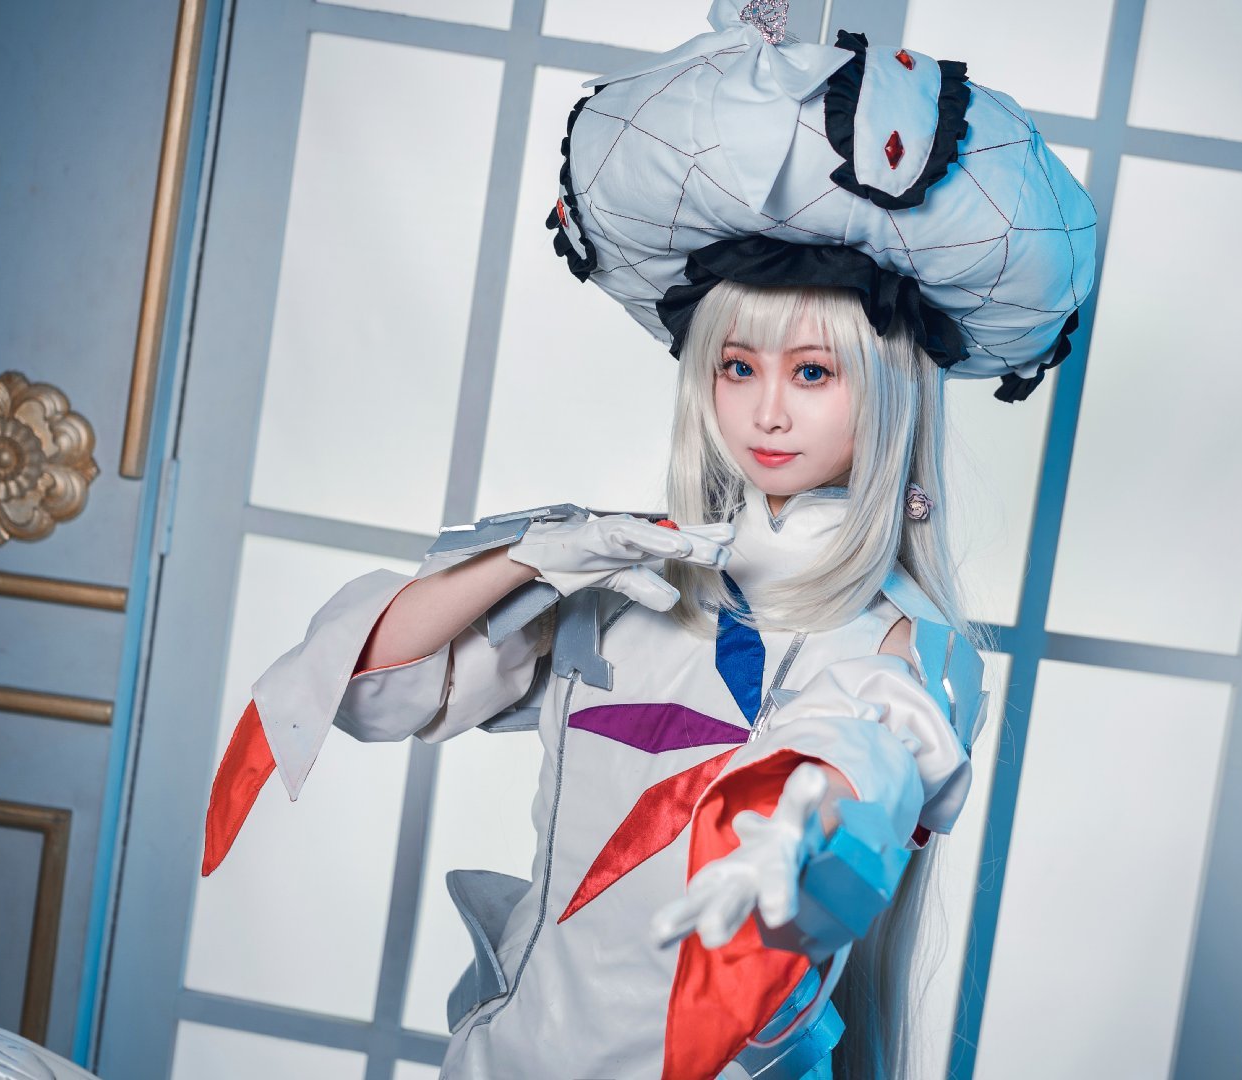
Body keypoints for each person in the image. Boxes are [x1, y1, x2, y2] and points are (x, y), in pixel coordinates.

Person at [202, 3, 1096, 1078]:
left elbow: (871, 764)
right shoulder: (625, 581)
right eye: (738, 367)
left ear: (889, 392)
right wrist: (530, 559)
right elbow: (368, 694)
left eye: (814, 372)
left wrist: (801, 844)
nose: (768, 410)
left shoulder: (910, 646)